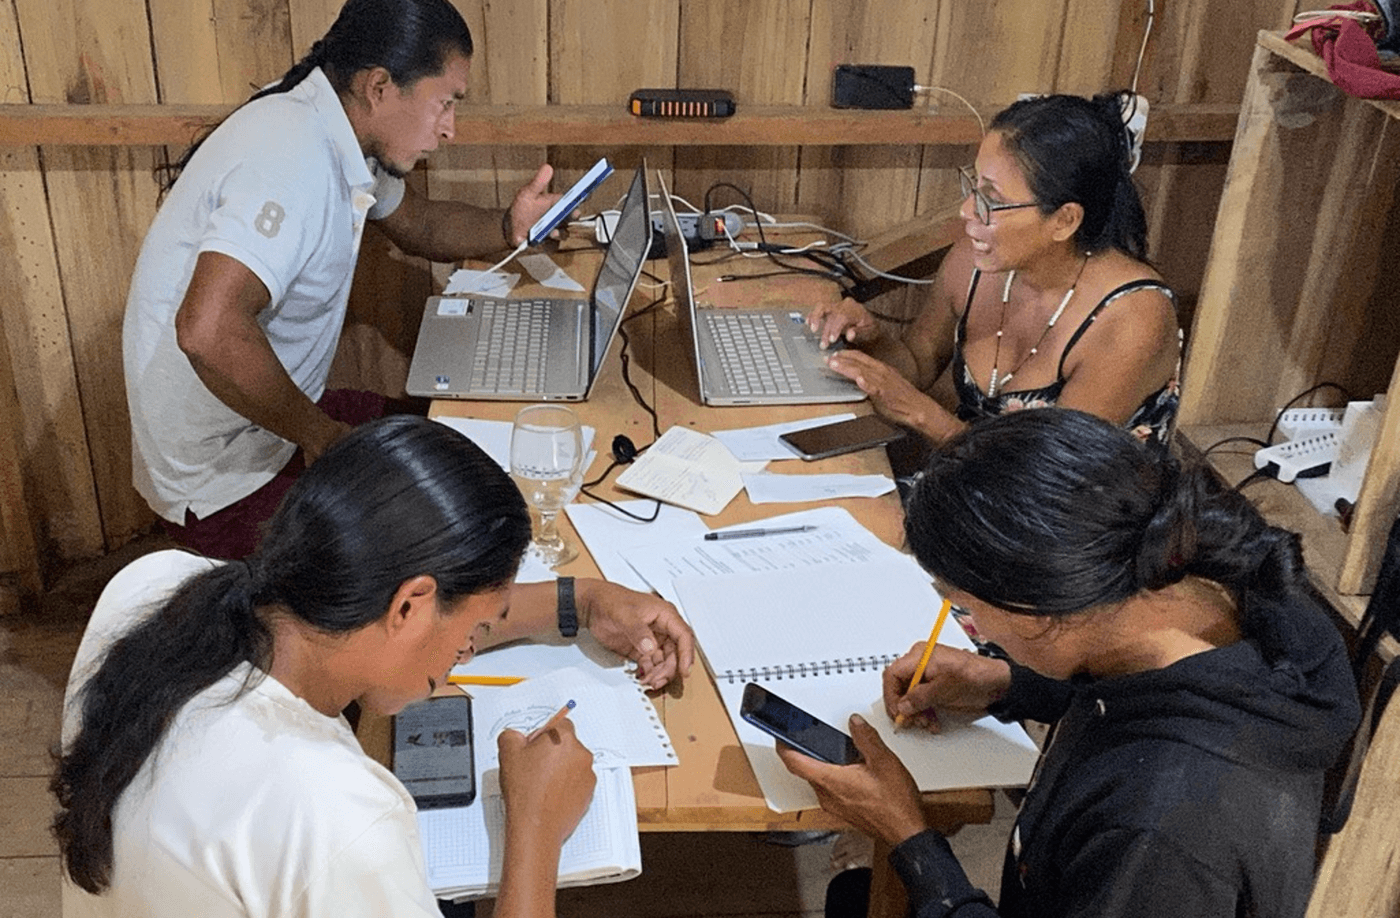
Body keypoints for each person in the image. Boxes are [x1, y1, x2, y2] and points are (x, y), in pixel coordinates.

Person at [52, 415, 695, 918]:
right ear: (410, 605)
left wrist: (579, 599)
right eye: (472, 629)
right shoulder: (340, 817)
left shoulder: (157, 587)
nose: (467, 652)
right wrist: (537, 826)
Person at [778, 409, 1361, 918]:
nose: (970, 628)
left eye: (963, 607)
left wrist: (910, 839)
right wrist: (1012, 685)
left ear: (1037, 610)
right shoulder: (1227, 601)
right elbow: (1149, 700)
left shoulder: (1157, 833)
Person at [123, 0, 569, 559]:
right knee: (457, 539)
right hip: (225, 482)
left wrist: (510, 227)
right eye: (445, 102)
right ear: (380, 86)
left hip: (270, 430)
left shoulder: (333, 126)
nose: (450, 128)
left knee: (464, 447)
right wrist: (320, 436)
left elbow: (420, 224)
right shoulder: (294, 156)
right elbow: (207, 332)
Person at [807, 93, 1181, 459]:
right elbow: (918, 361)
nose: (967, 210)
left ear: (1065, 220)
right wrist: (870, 341)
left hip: (1071, 512)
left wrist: (925, 417)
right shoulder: (972, 265)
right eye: (973, 187)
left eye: (993, 199)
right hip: (971, 489)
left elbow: (1048, 475)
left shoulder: (1134, 317)